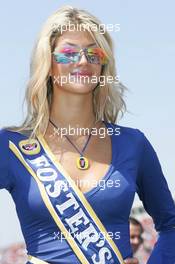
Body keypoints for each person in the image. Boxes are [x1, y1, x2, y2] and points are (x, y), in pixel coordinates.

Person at [0, 5, 175, 264]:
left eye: (94, 54)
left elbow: (170, 225)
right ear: (47, 64)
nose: (83, 61)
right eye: (69, 53)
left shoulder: (133, 143)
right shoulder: (11, 145)